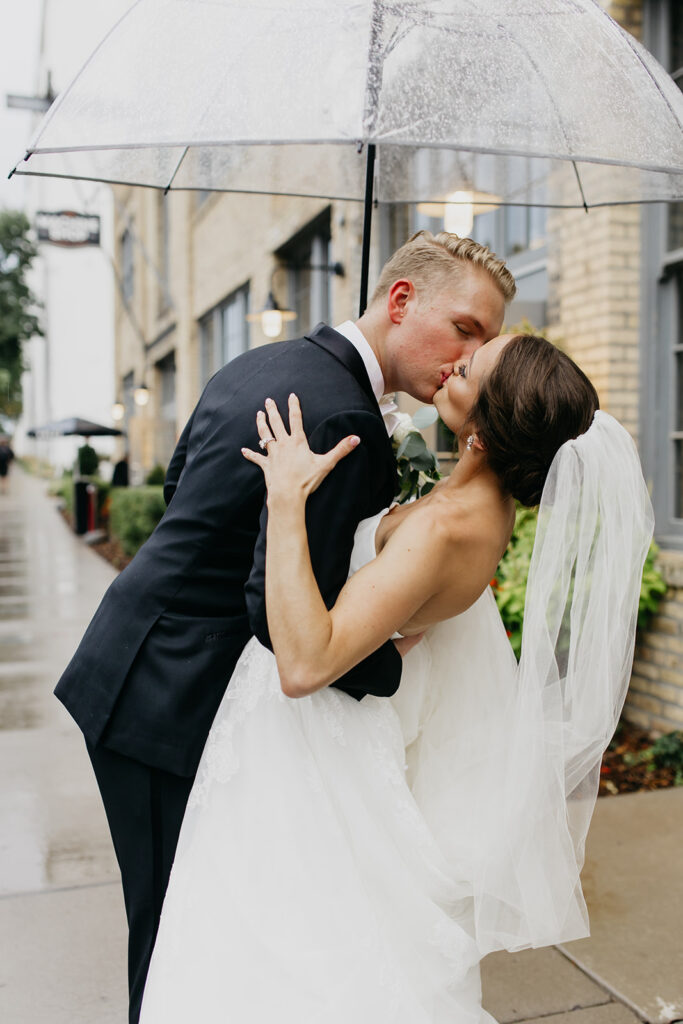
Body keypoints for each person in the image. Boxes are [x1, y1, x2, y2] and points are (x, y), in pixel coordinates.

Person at [54, 230, 515, 1024]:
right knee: (176, 935)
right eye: (465, 330)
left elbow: (177, 487)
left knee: (186, 925)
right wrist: (399, 656)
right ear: (400, 301)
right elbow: (283, 616)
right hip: (169, 696)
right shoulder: (343, 417)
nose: (463, 355)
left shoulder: (269, 363)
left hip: (136, 662)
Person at [139, 335, 653, 1023]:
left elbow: (305, 664)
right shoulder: (474, 504)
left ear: (484, 428)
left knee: (288, 957)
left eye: (468, 370)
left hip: (315, 751)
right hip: (331, 731)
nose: (452, 363)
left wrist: (287, 499)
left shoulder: (444, 527)